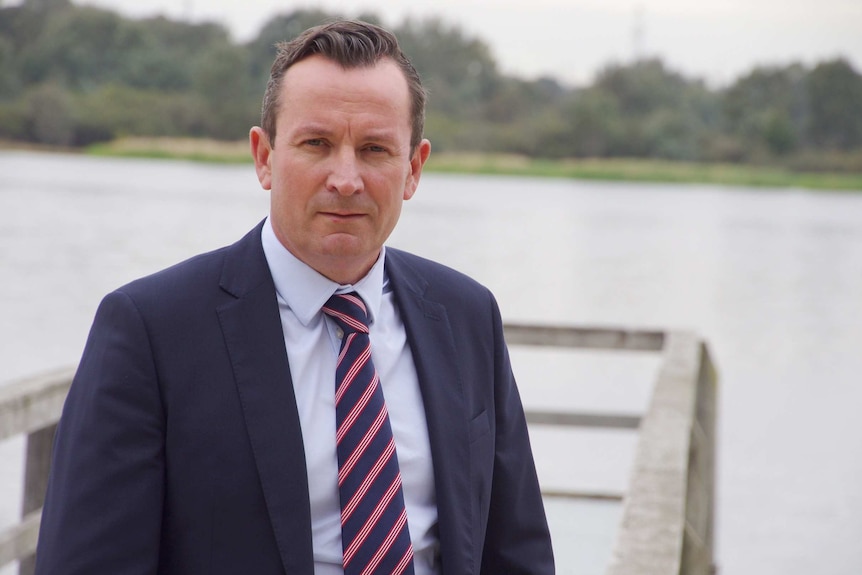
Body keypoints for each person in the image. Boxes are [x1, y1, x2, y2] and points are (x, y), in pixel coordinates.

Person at [34, 20, 554, 575]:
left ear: (413, 168)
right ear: (264, 156)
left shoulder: (465, 315)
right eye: (317, 144)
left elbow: (515, 551)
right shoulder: (150, 331)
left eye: (375, 149)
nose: (346, 179)